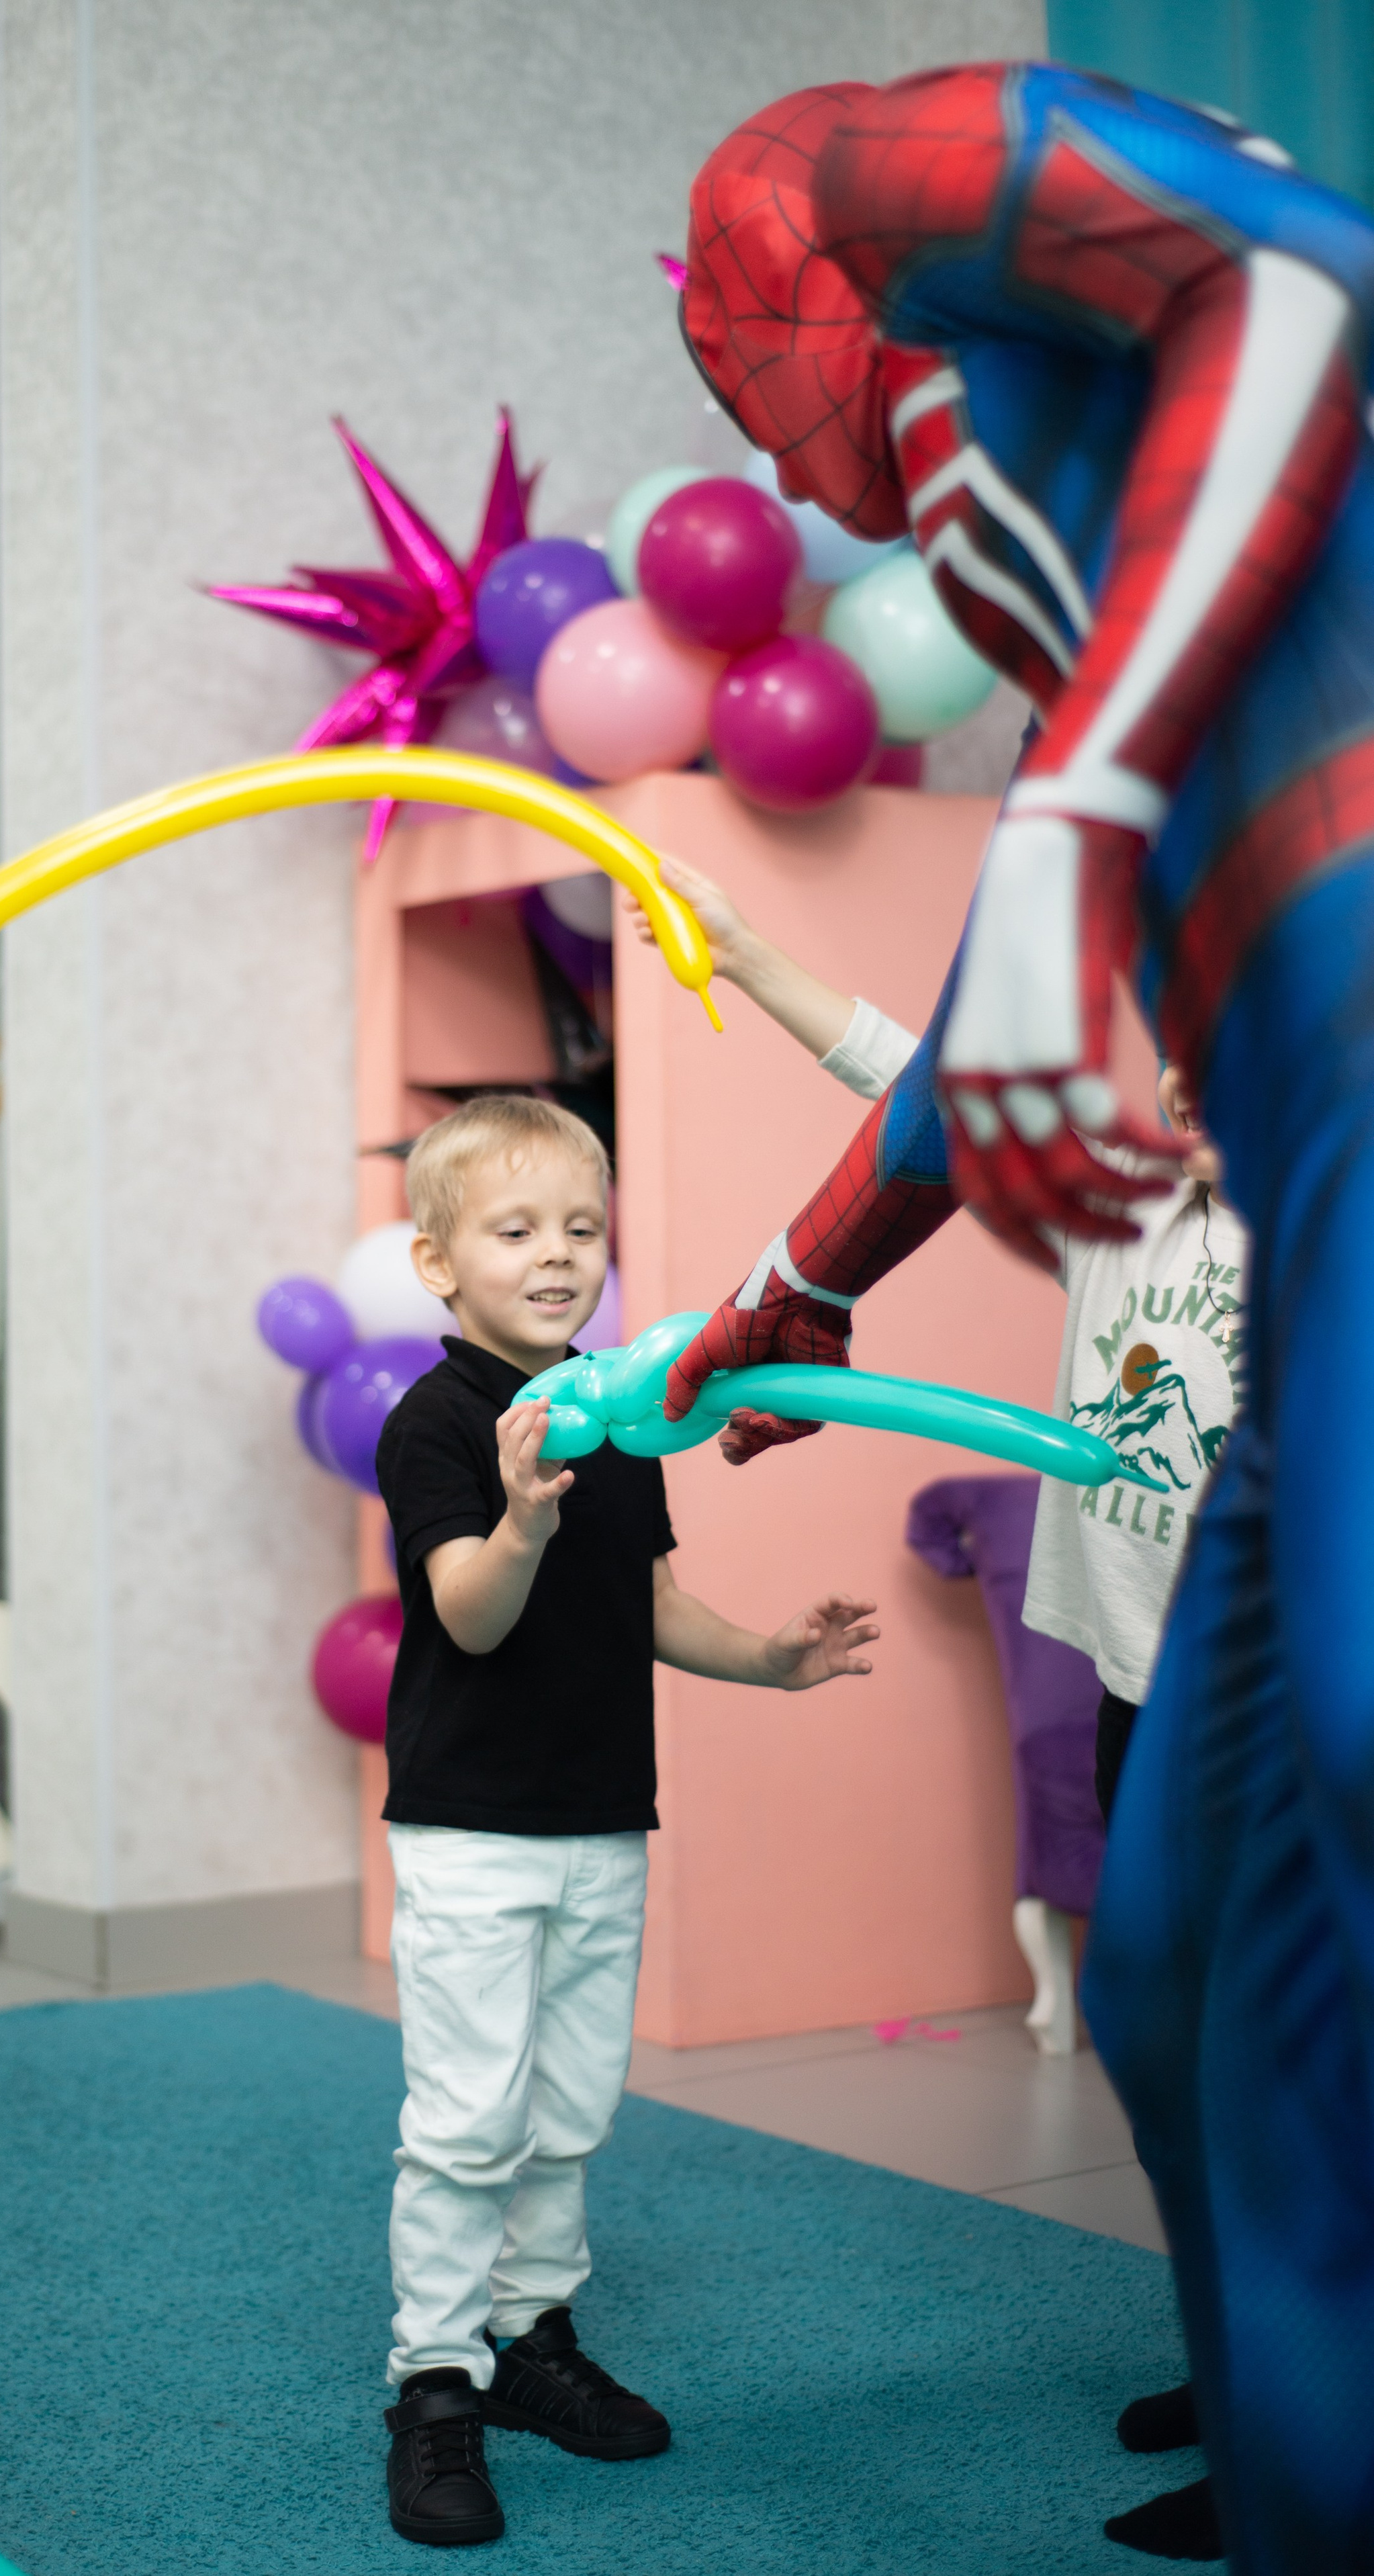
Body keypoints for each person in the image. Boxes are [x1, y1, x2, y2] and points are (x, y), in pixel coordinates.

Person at [666, 64, 1374, 2569]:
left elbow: (1292, 274)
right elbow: (969, 1044)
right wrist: (756, 1308)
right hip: (1304, 1320)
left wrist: (1069, 817)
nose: (763, 436)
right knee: (1177, 1977)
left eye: (733, 362)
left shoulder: (863, 180)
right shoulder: (1094, 621)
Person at [639, 850, 1244, 2558]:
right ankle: (1231, 2355)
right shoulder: (1119, 1190)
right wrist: (750, 958)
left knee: (1267, 2066)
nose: (1190, 1077)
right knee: (1176, 2058)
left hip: (1262, 1706)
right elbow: (920, 1088)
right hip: (1142, 1684)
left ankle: (1300, 2421)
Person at [373, 1091, 878, 2548]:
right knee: (466, 2117)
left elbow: (649, 1604)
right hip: (470, 1829)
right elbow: (467, 1614)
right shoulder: (439, 1420)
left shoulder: (629, 1406)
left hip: (601, 1821)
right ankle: (433, 2383)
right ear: (436, 1263)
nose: (555, 1256)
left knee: (569, 2106)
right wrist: (520, 1514)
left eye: (581, 1228)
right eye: (514, 1230)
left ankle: (531, 2338)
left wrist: (771, 1659)